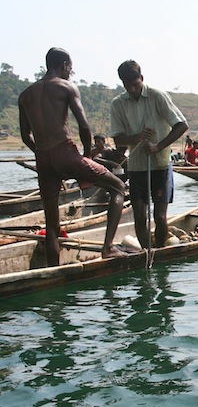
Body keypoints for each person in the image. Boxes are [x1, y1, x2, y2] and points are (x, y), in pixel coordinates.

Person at [18, 47, 126, 265]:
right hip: (65, 152)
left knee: (51, 223)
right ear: (64, 65)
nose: (70, 73)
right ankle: (108, 248)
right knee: (117, 187)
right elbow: (85, 128)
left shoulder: (25, 95)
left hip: (43, 157)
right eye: (70, 68)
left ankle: (52, 268)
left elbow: (26, 136)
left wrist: (40, 152)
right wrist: (86, 156)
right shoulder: (66, 87)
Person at [111, 60, 189, 249]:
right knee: (139, 214)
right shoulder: (118, 104)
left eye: (135, 85)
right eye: (127, 86)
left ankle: (160, 251)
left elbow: (181, 125)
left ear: (142, 79)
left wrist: (158, 146)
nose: (132, 89)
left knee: (160, 217)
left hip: (160, 165)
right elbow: (118, 140)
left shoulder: (157, 96)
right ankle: (145, 252)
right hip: (137, 167)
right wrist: (137, 137)